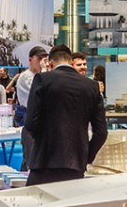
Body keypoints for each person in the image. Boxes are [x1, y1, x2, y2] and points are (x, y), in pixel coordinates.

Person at [24, 45, 109, 186]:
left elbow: (31, 123)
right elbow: (101, 132)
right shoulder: (92, 86)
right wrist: (86, 156)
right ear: (71, 62)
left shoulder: (42, 80)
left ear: (50, 63)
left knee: (36, 199)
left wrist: (41, 142)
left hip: (44, 161)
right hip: (75, 164)